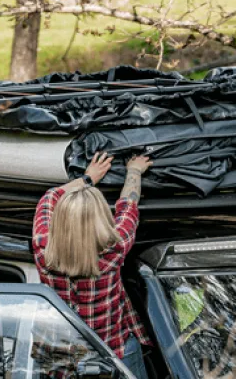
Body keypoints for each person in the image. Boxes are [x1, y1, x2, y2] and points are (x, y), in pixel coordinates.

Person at [32, 152, 153, 379]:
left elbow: (50, 197)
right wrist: (134, 170)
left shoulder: (42, 249)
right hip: (113, 354)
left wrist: (88, 178)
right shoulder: (115, 249)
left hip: (60, 361)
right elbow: (128, 204)